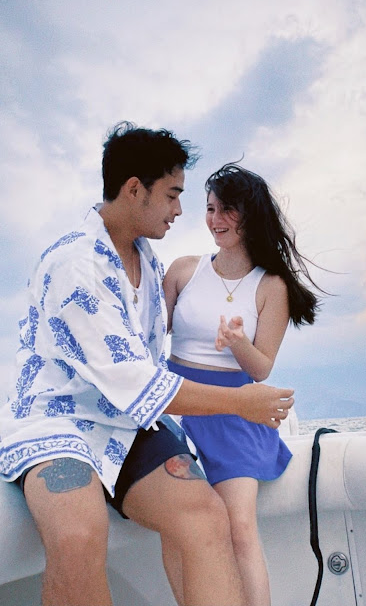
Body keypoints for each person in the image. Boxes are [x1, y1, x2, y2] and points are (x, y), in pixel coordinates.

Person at [0, 123, 294, 606]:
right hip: (58, 420)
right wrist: (241, 403)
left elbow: (151, 364)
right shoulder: (77, 264)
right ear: (135, 189)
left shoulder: (148, 259)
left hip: (128, 422)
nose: (180, 210)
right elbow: (136, 381)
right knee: (78, 537)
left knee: (206, 515)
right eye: (173, 195)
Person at [163, 163, 320, 605]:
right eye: (210, 209)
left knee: (239, 529)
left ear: (250, 215)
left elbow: (262, 367)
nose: (215, 219)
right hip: (178, 406)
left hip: (234, 414)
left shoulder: (271, 286)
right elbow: (148, 333)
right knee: (177, 527)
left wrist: (236, 342)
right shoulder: (183, 270)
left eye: (226, 209)